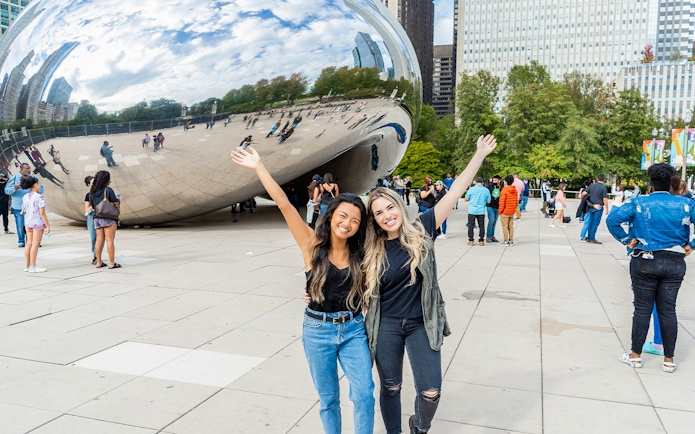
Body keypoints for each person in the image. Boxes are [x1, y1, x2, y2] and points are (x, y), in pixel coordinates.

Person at [230, 145, 375, 434]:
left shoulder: (363, 254)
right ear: (332, 215)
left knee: (364, 395)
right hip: (317, 331)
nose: (348, 223)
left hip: (354, 329)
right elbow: (284, 204)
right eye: (343, 216)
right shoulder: (311, 244)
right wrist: (259, 167)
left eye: (355, 220)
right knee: (329, 400)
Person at [363, 135, 497, 434]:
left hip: (422, 322)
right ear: (373, 219)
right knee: (391, 387)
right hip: (385, 324)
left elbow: (456, 189)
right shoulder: (370, 248)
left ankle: (419, 428)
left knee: (431, 391)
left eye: (390, 208)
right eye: (379, 213)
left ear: (400, 205)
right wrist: (314, 290)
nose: (387, 216)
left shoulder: (422, 228)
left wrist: (479, 155)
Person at [607, 163, 695, 374]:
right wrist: (690, 245)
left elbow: (612, 220)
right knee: (668, 310)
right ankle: (669, 360)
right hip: (675, 260)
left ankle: (635, 356)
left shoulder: (639, 202)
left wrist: (628, 239)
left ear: (651, 183)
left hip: (645, 259)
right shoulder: (685, 204)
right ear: (672, 181)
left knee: (642, 309)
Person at [5, 163, 44, 247]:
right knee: (20, 224)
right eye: (27, 168)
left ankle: (34, 241)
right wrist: (14, 188)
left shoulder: (34, 178)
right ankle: (21, 241)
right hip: (18, 206)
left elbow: (41, 190)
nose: (29, 170)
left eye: (29, 168)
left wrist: (35, 187)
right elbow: (7, 191)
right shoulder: (14, 178)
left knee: (33, 224)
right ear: (21, 169)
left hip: (32, 206)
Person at [89, 170, 121, 269]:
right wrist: (118, 200)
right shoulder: (108, 190)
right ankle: (112, 263)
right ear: (106, 180)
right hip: (108, 218)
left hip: (96, 218)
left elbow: (93, 205)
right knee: (109, 241)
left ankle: (99, 262)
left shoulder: (92, 192)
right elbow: (115, 202)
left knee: (99, 241)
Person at [20, 176, 50, 273]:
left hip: (28, 222)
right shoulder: (39, 197)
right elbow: (42, 213)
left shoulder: (25, 197)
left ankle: (27, 265)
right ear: (35, 184)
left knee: (29, 244)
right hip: (37, 222)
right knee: (35, 244)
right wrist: (47, 225)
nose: (39, 185)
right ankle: (33, 266)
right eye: (39, 183)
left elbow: (24, 210)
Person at [583, 174, 610, 244]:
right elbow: (605, 199)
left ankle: (588, 237)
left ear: (597, 179)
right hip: (599, 207)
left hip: (591, 206)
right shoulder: (603, 188)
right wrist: (607, 209)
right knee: (595, 223)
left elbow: (583, 193)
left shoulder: (591, 186)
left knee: (591, 222)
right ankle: (592, 238)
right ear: (604, 180)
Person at [464, 177, 491, 245]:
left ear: (475, 182)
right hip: (481, 210)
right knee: (481, 226)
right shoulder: (486, 190)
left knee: (471, 226)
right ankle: (481, 240)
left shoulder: (471, 189)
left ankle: (471, 240)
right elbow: (489, 201)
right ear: (482, 182)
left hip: (472, 210)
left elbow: (466, 199)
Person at [84, 176, 101, 265]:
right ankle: (95, 254)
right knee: (93, 238)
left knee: (100, 238)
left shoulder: (102, 193)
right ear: (88, 185)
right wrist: (93, 206)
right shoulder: (88, 195)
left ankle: (97, 256)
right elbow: (86, 209)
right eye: (93, 182)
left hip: (101, 216)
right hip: (92, 217)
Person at [498, 175, 518, 247]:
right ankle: (511, 241)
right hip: (512, 211)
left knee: (505, 226)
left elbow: (502, 202)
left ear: (506, 182)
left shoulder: (504, 190)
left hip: (505, 211)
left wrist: (500, 211)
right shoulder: (515, 190)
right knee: (511, 226)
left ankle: (505, 241)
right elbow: (516, 201)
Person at [486, 175, 501, 243]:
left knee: (494, 221)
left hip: (497, 206)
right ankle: (488, 235)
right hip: (490, 206)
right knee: (491, 220)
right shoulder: (489, 187)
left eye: (496, 180)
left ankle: (492, 235)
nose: (494, 182)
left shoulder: (501, 188)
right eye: (493, 180)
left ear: (499, 181)